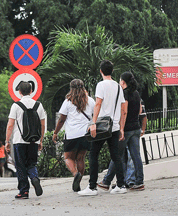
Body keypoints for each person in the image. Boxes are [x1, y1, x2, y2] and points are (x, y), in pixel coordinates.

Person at [78, 59, 127, 196]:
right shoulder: (118, 86)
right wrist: (121, 128)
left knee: (94, 154)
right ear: (112, 71)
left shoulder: (101, 85)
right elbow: (123, 109)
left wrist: (93, 123)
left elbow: (98, 104)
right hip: (115, 126)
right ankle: (121, 185)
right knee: (116, 156)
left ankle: (92, 187)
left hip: (102, 127)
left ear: (101, 71)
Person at [99, 71, 145, 190]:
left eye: (120, 80)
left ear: (123, 82)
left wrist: (121, 129)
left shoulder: (124, 94)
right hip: (136, 127)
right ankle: (139, 181)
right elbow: (140, 111)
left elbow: (124, 111)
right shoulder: (136, 94)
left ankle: (107, 181)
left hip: (127, 128)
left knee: (116, 155)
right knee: (136, 156)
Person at [51, 79, 95, 192]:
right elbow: (95, 115)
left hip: (71, 135)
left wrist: (55, 132)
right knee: (80, 158)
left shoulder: (68, 102)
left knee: (68, 158)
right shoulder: (90, 100)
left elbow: (61, 120)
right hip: (85, 134)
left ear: (71, 88)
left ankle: (75, 174)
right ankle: (78, 181)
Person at [5, 81, 47, 199]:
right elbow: (42, 124)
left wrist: (7, 141)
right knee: (31, 163)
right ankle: (34, 177)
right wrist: (41, 140)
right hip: (34, 140)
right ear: (31, 91)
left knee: (21, 166)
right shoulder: (39, 105)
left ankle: (24, 192)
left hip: (19, 141)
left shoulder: (16, 106)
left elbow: (10, 125)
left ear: (19, 92)